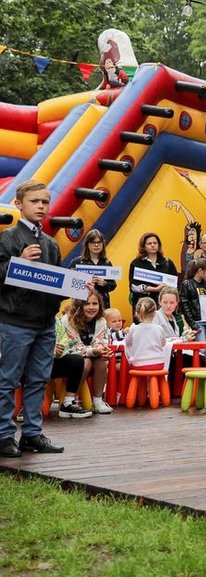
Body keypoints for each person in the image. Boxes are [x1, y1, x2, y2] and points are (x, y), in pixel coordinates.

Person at [0, 181, 86, 456]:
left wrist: (81, 287)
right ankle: (2, 436)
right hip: (14, 322)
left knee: (38, 379)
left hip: (45, 322)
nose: (40, 206)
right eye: (35, 201)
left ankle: (32, 435)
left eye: (45, 202)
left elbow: (56, 285)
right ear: (19, 204)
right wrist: (20, 261)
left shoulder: (51, 244)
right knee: (7, 380)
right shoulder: (7, 238)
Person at [61, 293, 114, 414]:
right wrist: (94, 351)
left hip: (91, 354)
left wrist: (102, 350)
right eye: (87, 303)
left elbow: (101, 341)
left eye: (95, 303)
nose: (91, 307)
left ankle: (98, 400)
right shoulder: (68, 320)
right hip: (68, 358)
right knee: (85, 362)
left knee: (102, 360)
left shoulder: (101, 321)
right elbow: (72, 347)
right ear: (79, 306)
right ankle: (71, 401)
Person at [52, 306, 93, 419]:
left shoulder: (55, 320)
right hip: (36, 362)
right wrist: (49, 350)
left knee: (77, 360)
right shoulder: (27, 321)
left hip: (53, 362)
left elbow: (63, 339)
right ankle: (24, 406)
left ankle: (68, 404)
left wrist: (59, 350)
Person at [128, 232, 178, 317]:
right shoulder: (136, 263)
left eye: (155, 243)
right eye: (149, 243)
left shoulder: (167, 262)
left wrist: (167, 288)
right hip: (144, 305)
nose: (152, 245)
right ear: (143, 246)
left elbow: (176, 284)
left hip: (165, 305)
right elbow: (134, 286)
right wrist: (155, 289)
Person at [68, 229, 117, 310]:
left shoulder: (107, 263)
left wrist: (104, 283)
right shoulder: (77, 262)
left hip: (103, 305)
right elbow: (68, 282)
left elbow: (113, 285)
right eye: (93, 242)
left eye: (99, 242)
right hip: (82, 305)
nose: (96, 245)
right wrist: (84, 283)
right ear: (87, 245)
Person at [179, 257, 206, 343]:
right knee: (202, 349)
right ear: (200, 271)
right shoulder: (187, 284)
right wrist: (192, 323)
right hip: (198, 321)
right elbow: (184, 305)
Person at [124, 297, 170, 371]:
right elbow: (163, 344)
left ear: (137, 313)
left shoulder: (133, 329)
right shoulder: (159, 328)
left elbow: (128, 343)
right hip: (158, 363)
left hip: (138, 364)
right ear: (155, 313)